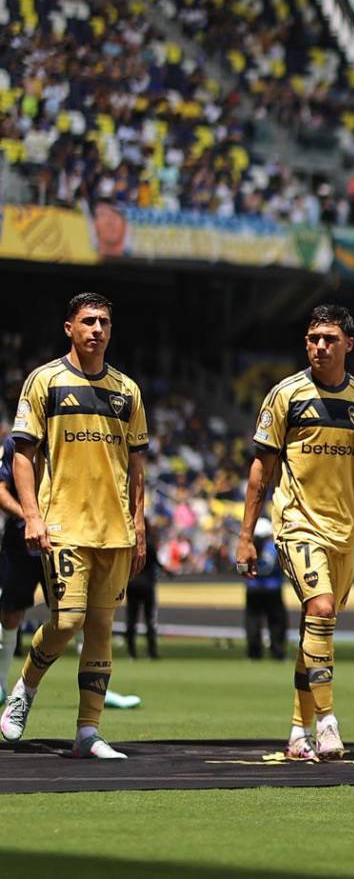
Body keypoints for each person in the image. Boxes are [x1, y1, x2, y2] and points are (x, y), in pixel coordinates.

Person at [235, 304, 354, 762]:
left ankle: (298, 732)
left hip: (344, 533)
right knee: (322, 609)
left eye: (330, 339)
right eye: (313, 338)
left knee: (317, 629)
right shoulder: (285, 396)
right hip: (297, 523)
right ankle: (328, 722)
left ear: (349, 344)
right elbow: (261, 469)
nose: (320, 346)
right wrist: (246, 535)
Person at [0, 293, 149, 759]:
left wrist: (139, 525)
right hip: (63, 524)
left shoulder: (127, 390)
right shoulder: (44, 381)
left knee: (101, 628)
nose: (97, 329)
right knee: (67, 620)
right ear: (70, 328)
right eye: (88, 321)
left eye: (104, 321)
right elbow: (22, 456)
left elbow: (137, 466)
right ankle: (25, 688)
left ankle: (88, 732)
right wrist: (32, 515)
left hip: (115, 531)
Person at [1, 432, 47, 701]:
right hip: (21, 539)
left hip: (62, 537)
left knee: (73, 613)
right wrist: (30, 518)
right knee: (10, 612)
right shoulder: (13, 443)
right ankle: (1, 684)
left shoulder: (67, 433)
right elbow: (0, 490)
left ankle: (95, 687)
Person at [245, 518, 287, 661]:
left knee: (253, 621)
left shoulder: (248, 547)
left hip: (253, 587)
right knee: (276, 621)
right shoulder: (274, 547)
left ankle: (254, 653)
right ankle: (277, 652)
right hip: (273, 588)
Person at [125, 522, 161, 659]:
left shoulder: (131, 544)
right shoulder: (149, 544)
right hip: (147, 586)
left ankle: (131, 652)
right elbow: (157, 563)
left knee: (131, 620)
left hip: (133, 584)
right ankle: (152, 651)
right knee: (150, 620)